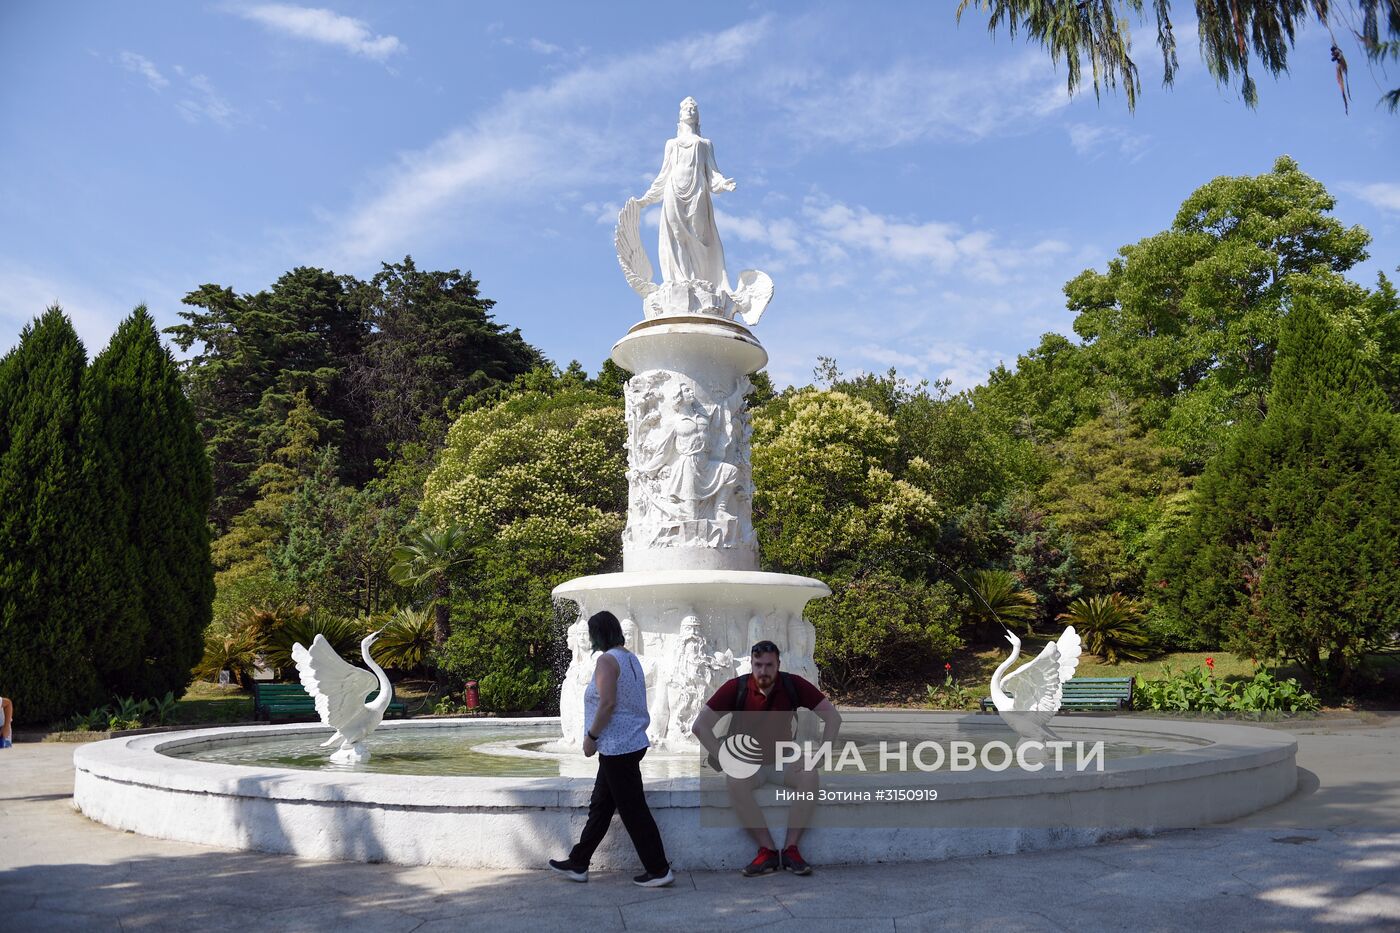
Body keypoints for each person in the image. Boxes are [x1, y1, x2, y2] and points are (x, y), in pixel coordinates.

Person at [691, 640, 841, 877]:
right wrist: (724, 756)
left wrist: (822, 753)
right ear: (751, 664)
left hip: (783, 758)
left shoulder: (792, 685)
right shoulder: (736, 688)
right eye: (758, 665)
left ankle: (791, 850)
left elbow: (833, 718)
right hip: (749, 763)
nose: (763, 671)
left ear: (778, 664)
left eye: (769, 665)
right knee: (734, 781)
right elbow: (700, 726)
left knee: (810, 776)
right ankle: (768, 850)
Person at [550, 611, 674, 887]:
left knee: (633, 811)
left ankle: (659, 869)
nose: (589, 639)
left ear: (600, 634)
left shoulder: (607, 660)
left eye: (592, 633)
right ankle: (579, 862)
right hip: (629, 743)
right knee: (601, 806)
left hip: (617, 747)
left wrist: (591, 736)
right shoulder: (630, 658)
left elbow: (607, 703)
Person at [637, 96, 735, 291]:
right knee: (677, 235)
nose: (689, 110)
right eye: (686, 108)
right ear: (680, 115)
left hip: (698, 190)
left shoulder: (704, 143)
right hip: (673, 189)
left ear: (697, 116)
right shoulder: (671, 144)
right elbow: (663, 173)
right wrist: (647, 198)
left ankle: (702, 279)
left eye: (693, 108)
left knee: (699, 235)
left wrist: (722, 184)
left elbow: (713, 172)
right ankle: (682, 280)